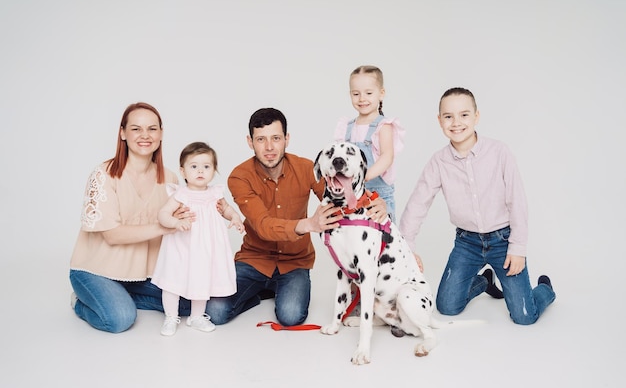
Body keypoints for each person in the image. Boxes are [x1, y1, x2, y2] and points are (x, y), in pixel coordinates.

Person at [205, 107, 388, 327]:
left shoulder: (306, 168)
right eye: (261, 139)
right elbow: (263, 226)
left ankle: (271, 290)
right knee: (215, 313)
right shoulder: (239, 176)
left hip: (294, 262)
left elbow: (337, 197)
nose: (269, 147)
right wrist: (309, 224)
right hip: (254, 260)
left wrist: (373, 201)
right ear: (250, 141)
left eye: (276, 138)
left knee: (290, 317)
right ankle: (257, 293)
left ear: (287, 139)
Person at [399, 87, 556, 325]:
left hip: (503, 242)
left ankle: (544, 290)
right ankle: (484, 282)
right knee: (447, 307)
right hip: (467, 243)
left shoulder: (499, 152)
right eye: (448, 116)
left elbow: (517, 201)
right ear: (439, 120)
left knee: (525, 316)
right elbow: (418, 203)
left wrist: (518, 248)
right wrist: (407, 245)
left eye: (464, 115)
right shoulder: (438, 162)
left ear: (476, 116)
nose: (456, 123)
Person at [69, 102, 194, 333]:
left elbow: (180, 229)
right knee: (120, 318)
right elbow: (113, 235)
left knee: (188, 302)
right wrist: (165, 226)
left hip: (143, 274)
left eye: (152, 129)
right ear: (123, 133)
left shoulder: (170, 179)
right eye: (136, 129)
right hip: (96, 270)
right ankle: (80, 302)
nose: (145, 135)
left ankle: (123, 295)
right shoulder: (104, 174)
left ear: (161, 134)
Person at [152, 142, 245, 336]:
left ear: (214, 170)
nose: (200, 171)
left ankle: (196, 316)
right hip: (182, 245)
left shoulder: (215, 193)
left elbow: (226, 209)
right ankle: (170, 316)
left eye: (206, 166)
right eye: (194, 166)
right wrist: (176, 223)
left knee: (203, 277)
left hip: (206, 247)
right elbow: (163, 214)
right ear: (183, 171)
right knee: (173, 279)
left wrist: (235, 217)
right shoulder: (181, 194)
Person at [334, 65, 405, 222]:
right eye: (356, 94)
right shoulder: (347, 127)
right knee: (351, 238)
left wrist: (364, 176)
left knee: (381, 240)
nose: (362, 98)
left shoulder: (383, 126)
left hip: (377, 195)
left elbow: (387, 157)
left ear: (381, 94)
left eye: (368, 93)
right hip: (351, 194)